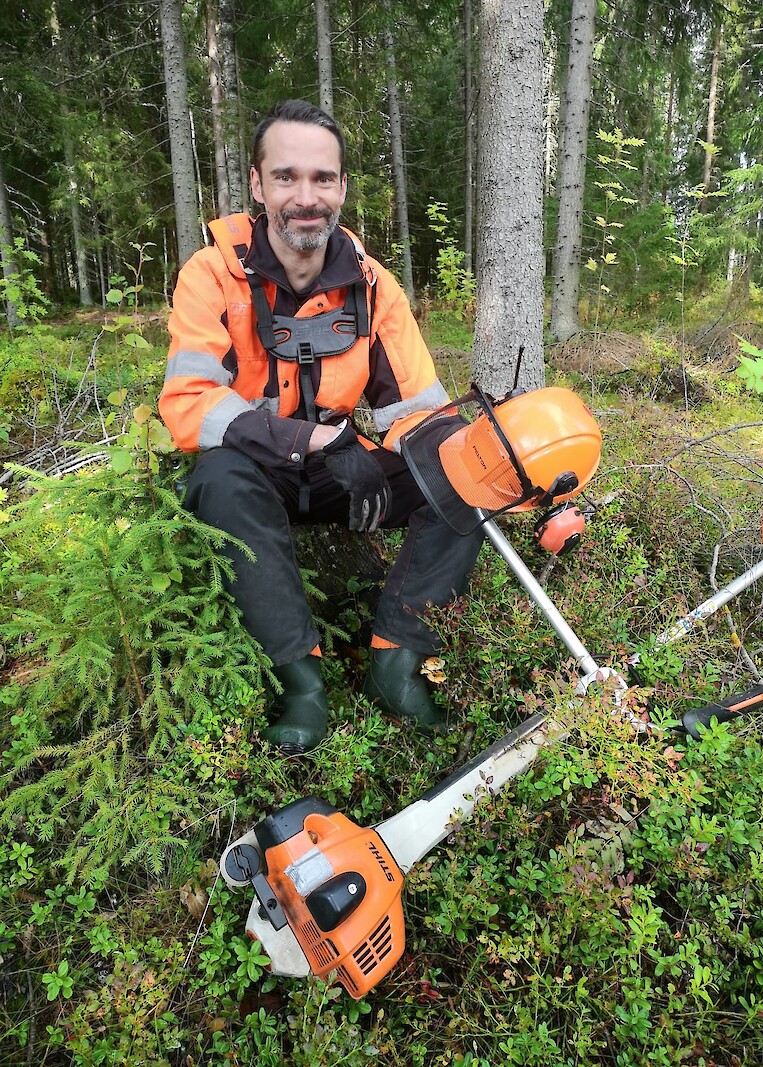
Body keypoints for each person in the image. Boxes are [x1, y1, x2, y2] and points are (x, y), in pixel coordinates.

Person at [159, 99, 483, 755]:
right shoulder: (212, 276)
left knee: (467, 475)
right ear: (257, 184)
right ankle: (301, 682)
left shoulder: (373, 287)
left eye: (322, 179)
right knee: (219, 479)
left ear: (340, 188)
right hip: (257, 471)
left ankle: (397, 661)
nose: (305, 197)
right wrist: (312, 439)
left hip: (346, 476)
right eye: (286, 177)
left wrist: (494, 456)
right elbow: (189, 402)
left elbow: (419, 412)